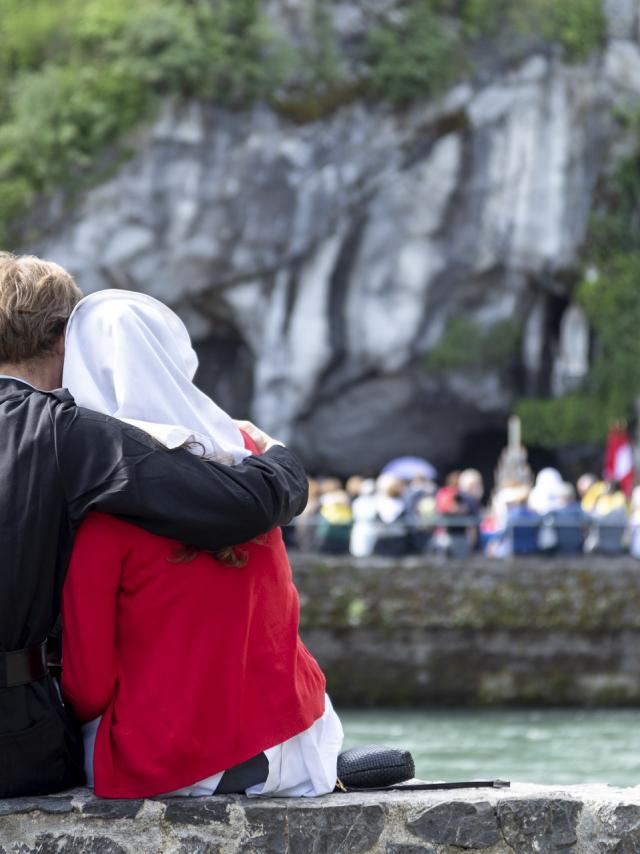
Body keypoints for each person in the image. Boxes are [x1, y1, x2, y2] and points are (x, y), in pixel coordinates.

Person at [0, 254, 309, 799]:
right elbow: (240, 507)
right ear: (59, 340)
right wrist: (277, 455)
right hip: (16, 739)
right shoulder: (64, 432)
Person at [60, 290, 343, 798]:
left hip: (173, 760)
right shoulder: (250, 452)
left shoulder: (104, 506)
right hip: (300, 740)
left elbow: (89, 684)